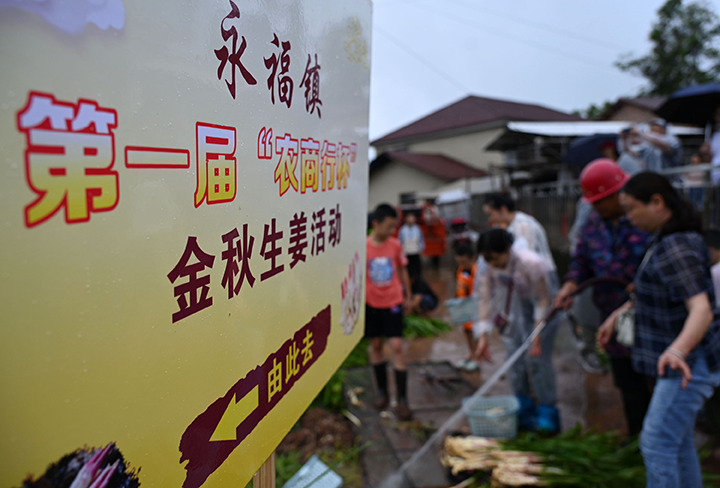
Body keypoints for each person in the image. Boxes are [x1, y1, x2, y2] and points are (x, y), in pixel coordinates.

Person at [598, 172, 720, 487]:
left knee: (655, 444)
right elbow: (658, 290)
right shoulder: (665, 240)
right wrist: (620, 313)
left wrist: (678, 349)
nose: (628, 218)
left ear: (656, 202)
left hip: (689, 364)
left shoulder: (676, 245)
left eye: (631, 209)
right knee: (676, 444)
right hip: (682, 361)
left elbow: (701, 308)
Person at [554, 159, 652, 436]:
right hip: (613, 317)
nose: (594, 207)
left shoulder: (643, 221)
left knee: (657, 382)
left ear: (618, 194)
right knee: (627, 383)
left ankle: (661, 444)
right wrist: (570, 285)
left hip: (650, 316)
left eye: (599, 201)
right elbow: (581, 261)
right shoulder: (593, 225)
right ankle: (637, 440)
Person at [473, 228, 560, 433]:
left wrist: (537, 335)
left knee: (538, 361)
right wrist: (482, 336)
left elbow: (543, 299)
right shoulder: (487, 266)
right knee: (514, 361)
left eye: (494, 258)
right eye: (487, 259)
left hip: (541, 312)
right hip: (516, 310)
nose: (491, 263)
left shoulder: (531, 263)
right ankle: (524, 409)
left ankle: (547, 412)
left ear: (507, 250)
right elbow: (485, 299)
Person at [366, 203, 413, 421]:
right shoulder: (363, 246)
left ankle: (402, 399)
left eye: (394, 227)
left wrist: (408, 297)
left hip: (393, 300)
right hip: (371, 302)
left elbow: (403, 271)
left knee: (396, 346)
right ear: (375, 224)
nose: (391, 231)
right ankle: (383, 393)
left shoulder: (395, 245)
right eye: (388, 226)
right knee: (376, 345)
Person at [454, 241, 480, 372]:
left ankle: (477, 358)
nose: (462, 265)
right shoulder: (460, 271)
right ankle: (472, 353)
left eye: (464, 262)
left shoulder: (478, 272)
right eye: (459, 262)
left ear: (472, 259)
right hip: (464, 307)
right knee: (467, 331)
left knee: (476, 333)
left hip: (476, 307)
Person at [398, 211, 425, 279]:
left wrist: (422, 249)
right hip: (406, 253)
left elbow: (421, 239)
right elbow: (399, 241)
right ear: (406, 219)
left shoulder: (417, 229)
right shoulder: (402, 230)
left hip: (415, 253)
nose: (411, 220)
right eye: (409, 218)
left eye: (412, 218)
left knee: (417, 272)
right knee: (407, 271)